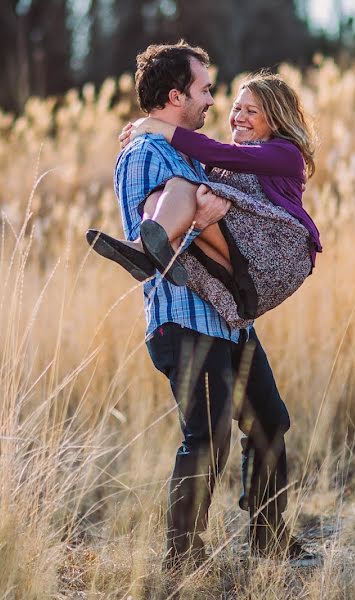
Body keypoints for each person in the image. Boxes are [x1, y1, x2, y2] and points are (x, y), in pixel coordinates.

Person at [89, 41, 316, 572]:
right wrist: (197, 212)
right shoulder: (146, 152)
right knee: (207, 436)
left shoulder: (184, 148)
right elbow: (151, 214)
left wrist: (211, 210)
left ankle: (270, 540)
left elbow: (224, 174)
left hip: (226, 319)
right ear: (176, 94)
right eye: (205, 90)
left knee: (269, 424)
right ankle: (182, 559)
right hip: (184, 315)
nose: (214, 101)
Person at [102, 72, 323, 329]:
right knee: (159, 199)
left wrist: (155, 126)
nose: (239, 117)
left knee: (182, 187)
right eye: (236, 108)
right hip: (243, 258)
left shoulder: (285, 153)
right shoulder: (234, 162)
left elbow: (217, 152)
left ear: (275, 120)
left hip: (278, 252)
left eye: (251, 111)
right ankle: (161, 253)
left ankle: (145, 249)